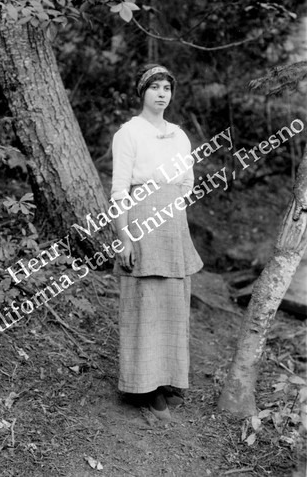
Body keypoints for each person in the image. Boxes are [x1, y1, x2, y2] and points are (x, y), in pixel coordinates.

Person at [110, 64, 203, 421]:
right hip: (141, 219)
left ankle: (166, 380)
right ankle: (144, 388)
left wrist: (173, 216)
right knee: (145, 302)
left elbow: (186, 184)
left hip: (173, 222)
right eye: (154, 87)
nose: (162, 93)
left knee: (171, 304)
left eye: (167, 87)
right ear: (142, 93)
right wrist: (125, 237)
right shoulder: (128, 133)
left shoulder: (179, 135)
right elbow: (120, 190)